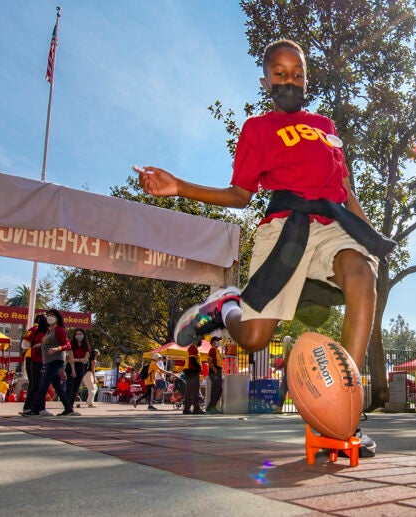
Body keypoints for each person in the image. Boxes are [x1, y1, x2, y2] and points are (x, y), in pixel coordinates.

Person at [135, 39, 394, 455]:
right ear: (265, 80)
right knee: (255, 338)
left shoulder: (326, 125)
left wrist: (368, 236)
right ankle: (224, 308)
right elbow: (240, 194)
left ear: (306, 79)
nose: (289, 80)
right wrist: (180, 186)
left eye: (297, 73)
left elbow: (345, 188)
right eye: (280, 73)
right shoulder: (257, 128)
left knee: (362, 276)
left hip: (331, 224)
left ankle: (347, 414)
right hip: (285, 228)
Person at [27, 309, 80, 416]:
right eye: (48, 315)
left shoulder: (59, 330)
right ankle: (68, 409)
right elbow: (48, 343)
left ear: (57, 317)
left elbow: (68, 345)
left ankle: (37, 409)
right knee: (58, 387)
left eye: (51, 315)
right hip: (48, 362)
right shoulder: (49, 330)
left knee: (44, 384)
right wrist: (40, 345)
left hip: (56, 361)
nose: (49, 317)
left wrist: (57, 349)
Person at [20, 314, 47, 416]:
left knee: (34, 383)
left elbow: (24, 345)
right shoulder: (40, 330)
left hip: (30, 357)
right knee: (36, 384)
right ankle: (32, 407)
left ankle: (32, 407)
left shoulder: (32, 329)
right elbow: (25, 344)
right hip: (36, 358)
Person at [65, 328, 90, 406]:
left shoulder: (86, 346)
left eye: (80, 334)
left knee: (76, 387)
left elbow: (85, 359)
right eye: (77, 334)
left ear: (83, 335)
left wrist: (75, 359)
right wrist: (73, 370)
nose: (78, 336)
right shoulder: (71, 344)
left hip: (81, 367)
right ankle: (67, 404)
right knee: (70, 386)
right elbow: (70, 359)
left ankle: (71, 404)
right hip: (71, 367)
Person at [182, 340, 203, 414]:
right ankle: (196, 409)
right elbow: (192, 360)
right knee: (194, 391)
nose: (201, 341)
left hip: (190, 371)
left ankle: (186, 409)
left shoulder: (193, 348)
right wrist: (199, 368)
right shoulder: (193, 348)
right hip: (192, 371)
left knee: (190, 391)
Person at [204, 336, 223, 413]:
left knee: (216, 389)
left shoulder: (217, 350)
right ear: (212, 343)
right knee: (217, 389)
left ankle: (211, 407)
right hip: (214, 371)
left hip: (217, 371)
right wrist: (215, 370)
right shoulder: (212, 350)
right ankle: (211, 407)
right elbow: (209, 360)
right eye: (216, 341)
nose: (218, 342)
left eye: (218, 341)